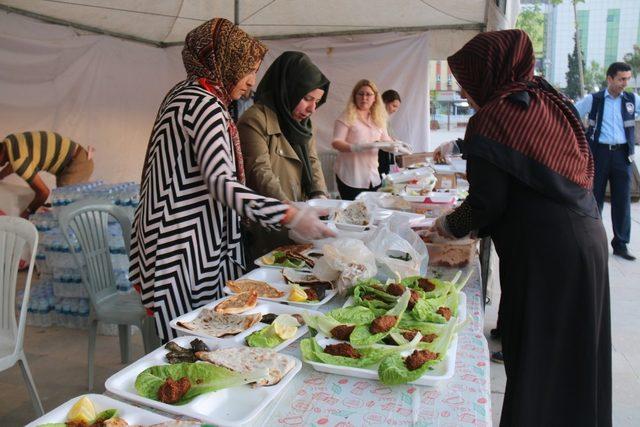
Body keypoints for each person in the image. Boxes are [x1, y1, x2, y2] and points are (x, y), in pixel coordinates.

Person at [430, 30, 610, 426]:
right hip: (583, 239)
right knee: (576, 358)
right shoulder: (547, 100)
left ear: (487, 72)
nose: (464, 93)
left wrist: (447, 225)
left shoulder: (493, 117)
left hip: (548, 253)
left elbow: (487, 203)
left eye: (466, 82)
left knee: (540, 358)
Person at [129, 18, 334, 342]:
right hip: (185, 245)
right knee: (191, 341)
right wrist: (288, 214)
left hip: (177, 237)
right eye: (248, 69)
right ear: (224, 63)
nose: (252, 82)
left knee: (203, 336)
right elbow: (220, 182)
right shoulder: (203, 104)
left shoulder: (186, 94)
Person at [238, 51, 330, 257]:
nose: (312, 109)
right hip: (271, 223)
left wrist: (320, 197)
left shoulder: (304, 124)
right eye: (307, 98)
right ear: (288, 89)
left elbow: (313, 161)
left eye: (317, 101)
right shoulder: (255, 119)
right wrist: (292, 214)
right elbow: (260, 172)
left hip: (302, 218)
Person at [574, 62, 639, 261]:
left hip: (622, 155)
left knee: (622, 200)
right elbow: (572, 113)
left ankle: (621, 244)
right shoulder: (594, 100)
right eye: (621, 79)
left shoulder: (631, 99)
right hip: (598, 154)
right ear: (609, 78)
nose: (624, 83)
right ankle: (592, 242)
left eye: (627, 79)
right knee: (594, 199)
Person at [0, 131, 94, 218]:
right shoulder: (9, 141)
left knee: (65, 209)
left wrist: (27, 212)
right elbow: (13, 164)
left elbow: (44, 192)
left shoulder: (19, 161)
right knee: (59, 204)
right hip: (78, 156)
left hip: (78, 165)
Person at [331, 79, 392, 200]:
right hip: (351, 176)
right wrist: (356, 147)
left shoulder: (378, 118)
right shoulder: (346, 116)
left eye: (368, 94)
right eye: (361, 94)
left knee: (371, 212)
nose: (364, 97)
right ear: (355, 96)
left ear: (375, 98)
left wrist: (397, 146)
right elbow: (336, 142)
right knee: (353, 213)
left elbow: (386, 140)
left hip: (372, 176)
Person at [378, 89, 402, 176]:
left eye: (397, 107)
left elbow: (386, 135)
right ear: (384, 102)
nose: (395, 110)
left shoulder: (385, 117)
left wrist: (395, 141)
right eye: (394, 106)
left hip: (385, 153)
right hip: (379, 155)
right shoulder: (377, 117)